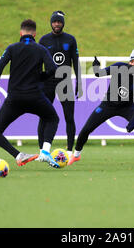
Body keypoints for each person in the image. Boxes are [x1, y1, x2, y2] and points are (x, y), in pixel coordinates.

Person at [0, 19, 61, 168]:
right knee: (52, 118)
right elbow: (53, 70)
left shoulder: (12, 48)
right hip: (35, 97)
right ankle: (45, 151)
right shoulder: (41, 49)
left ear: (20, 32)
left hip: (14, 99)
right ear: (35, 34)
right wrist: (40, 77)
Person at [68, 48, 134, 167]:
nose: (133, 64)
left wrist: (133, 122)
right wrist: (96, 67)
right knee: (86, 129)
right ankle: (76, 155)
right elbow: (99, 73)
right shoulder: (119, 67)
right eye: (131, 61)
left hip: (127, 107)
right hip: (108, 105)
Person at [38, 11, 82, 157]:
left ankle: (70, 151)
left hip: (65, 83)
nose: (57, 24)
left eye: (59, 21)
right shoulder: (44, 40)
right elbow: (38, 63)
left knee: (69, 117)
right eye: (54, 21)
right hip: (48, 83)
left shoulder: (70, 40)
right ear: (51, 23)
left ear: (63, 23)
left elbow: (75, 61)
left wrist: (79, 82)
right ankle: (42, 151)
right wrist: (38, 81)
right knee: (44, 117)